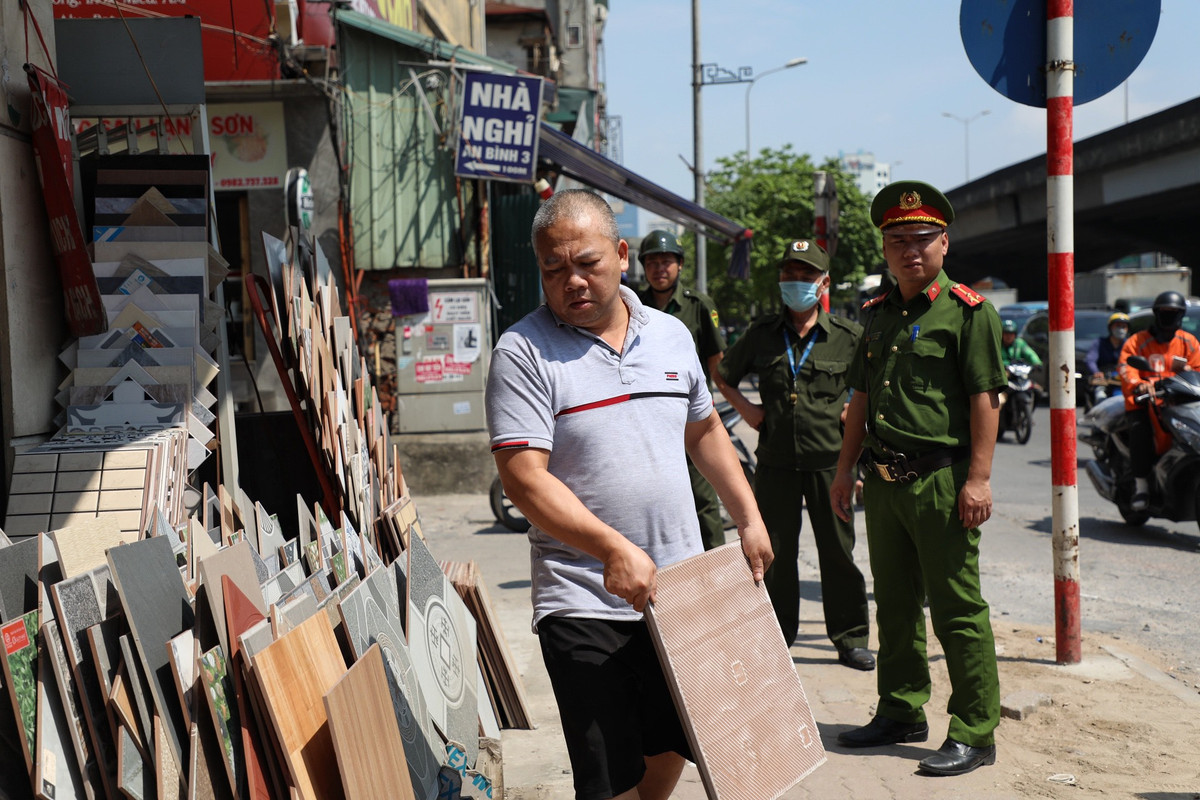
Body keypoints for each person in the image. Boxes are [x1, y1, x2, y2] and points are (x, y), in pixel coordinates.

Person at [485, 190, 773, 800]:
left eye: (586, 263)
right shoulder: (522, 352)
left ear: (621, 255)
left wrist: (748, 516)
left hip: (680, 592)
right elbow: (523, 477)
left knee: (672, 742)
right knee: (609, 772)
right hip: (581, 596)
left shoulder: (670, 336)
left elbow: (705, 430)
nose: (572, 282)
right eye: (553, 270)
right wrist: (609, 547)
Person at [829, 180, 1004, 777]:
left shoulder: (967, 312)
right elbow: (859, 397)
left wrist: (978, 479)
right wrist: (844, 469)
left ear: (944, 242)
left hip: (941, 482)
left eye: (923, 239)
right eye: (899, 240)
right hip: (882, 481)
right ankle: (901, 709)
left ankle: (976, 730)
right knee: (896, 604)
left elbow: (986, 399)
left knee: (957, 608)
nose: (911, 251)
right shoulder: (876, 316)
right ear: (884, 248)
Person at [714, 239, 874, 671]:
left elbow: (870, 385)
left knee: (839, 553)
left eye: (806, 276)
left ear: (824, 283)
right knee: (774, 553)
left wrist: (852, 406)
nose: (796, 283)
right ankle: (776, 636)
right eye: (789, 275)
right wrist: (748, 411)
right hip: (776, 464)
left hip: (831, 464)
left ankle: (851, 637)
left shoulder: (846, 336)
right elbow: (724, 375)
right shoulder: (762, 335)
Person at [636, 228, 728, 551]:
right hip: (644, 418)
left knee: (703, 499)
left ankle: (719, 575)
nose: (659, 268)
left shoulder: (699, 305)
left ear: (680, 265)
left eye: (666, 261)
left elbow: (717, 363)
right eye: (652, 262)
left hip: (689, 417)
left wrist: (718, 413)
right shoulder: (630, 304)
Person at [1118, 291, 1200, 510]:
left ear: (1181, 315)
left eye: (1173, 313)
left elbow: (1198, 369)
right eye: (1165, 312)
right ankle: (1141, 487)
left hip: (1179, 402)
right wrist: (1139, 384)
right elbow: (1126, 367)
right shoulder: (1138, 341)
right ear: (1156, 314)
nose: (1169, 316)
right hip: (1145, 401)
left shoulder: (1188, 343)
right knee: (1140, 431)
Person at [1085, 312, 1129, 405]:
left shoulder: (1129, 344)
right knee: (1100, 396)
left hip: (1124, 380)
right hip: (1104, 380)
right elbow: (1090, 360)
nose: (1120, 329)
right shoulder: (1099, 343)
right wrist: (1096, 372)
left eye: (1123, 326)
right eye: (1117, 326)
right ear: (1110, 327)